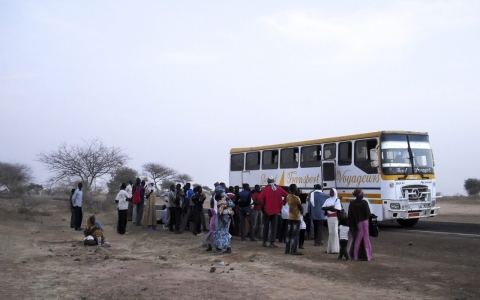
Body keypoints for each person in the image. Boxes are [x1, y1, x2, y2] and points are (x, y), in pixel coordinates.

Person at [259, 176, 289, 248]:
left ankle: (264, 242)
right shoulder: (278, 188)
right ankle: (272, 242)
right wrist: (283, 203)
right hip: (276, 210)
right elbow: (287, 195)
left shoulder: (265, 189)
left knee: (266, 226)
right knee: (274, 227)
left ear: (268, 181)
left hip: (267, 210)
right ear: (273, 181)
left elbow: (260, 198)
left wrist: (263, 206)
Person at [348, 189, 373, 261]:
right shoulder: (364, 203)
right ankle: (368, 255)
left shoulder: (352, 203)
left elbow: (350, 215)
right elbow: (368, 214)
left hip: (356, 223)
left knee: (357, 240)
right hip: (364, 222)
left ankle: (355, 256)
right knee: (366, 239)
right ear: (361, 195)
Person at [322, 188, 342, 254]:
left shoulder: (337, 200)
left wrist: (328, 208)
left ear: (335, 193)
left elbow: (337, 209)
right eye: (330, 192)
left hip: (334, 218)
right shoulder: (328, 200)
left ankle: (335, 249)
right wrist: (330, 207)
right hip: (329, 218)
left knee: (335, 232)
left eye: (332, 192)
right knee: (330, 232)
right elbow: (322, 207)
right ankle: (330, 249)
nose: (330, 193)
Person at [285, 184, 303, 255]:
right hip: (296, 217)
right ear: (295, 189)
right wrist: (302, 212)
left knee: (288, 234)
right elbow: (300, 208)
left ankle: (287, 249)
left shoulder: (288, 196)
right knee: (295, 234)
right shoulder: (296, 198)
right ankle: (294, 250)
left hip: (290, 217)